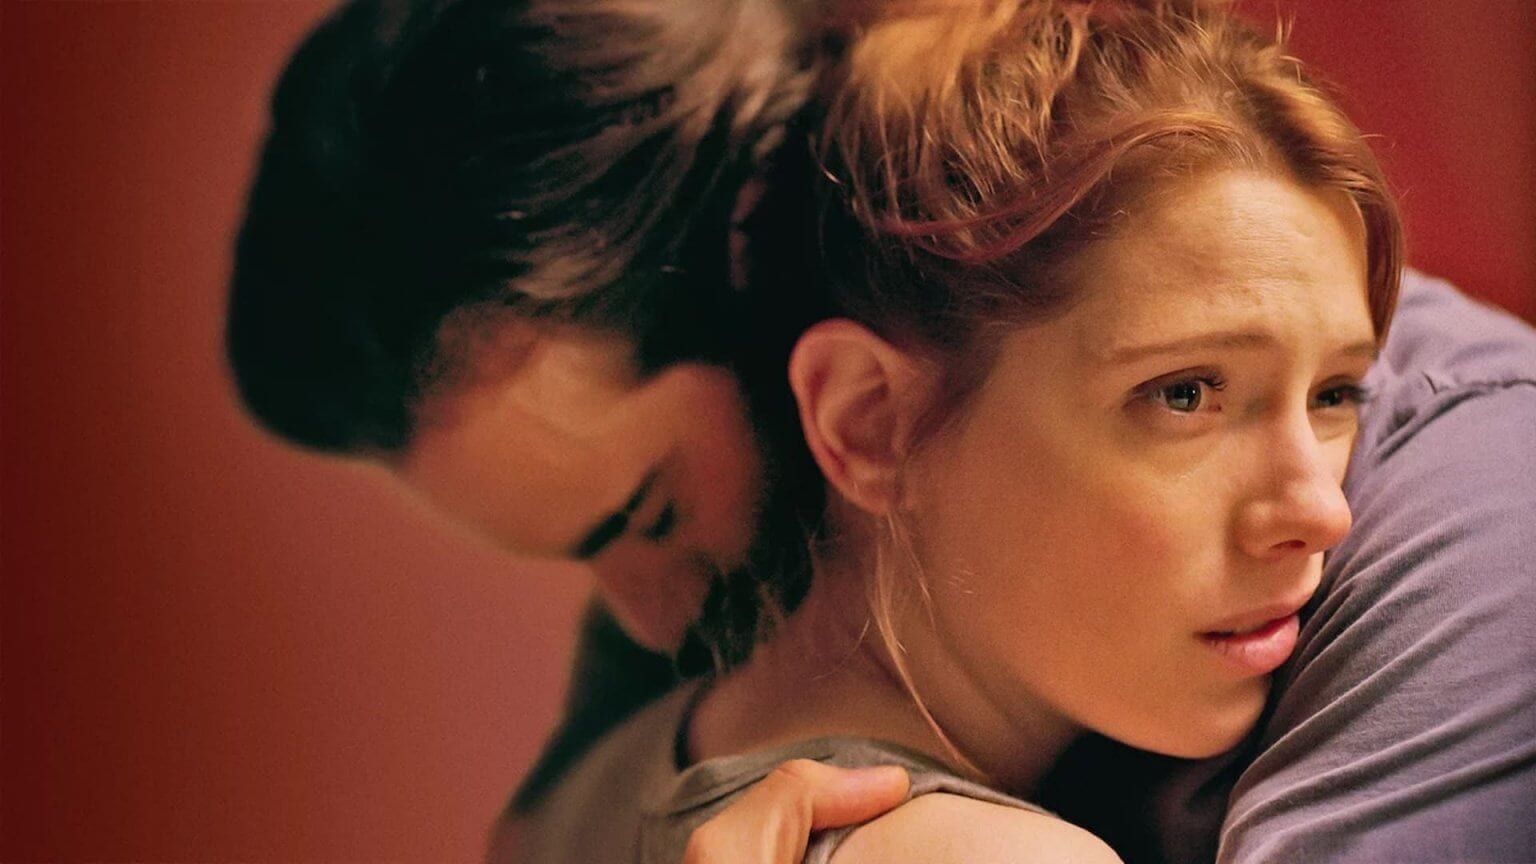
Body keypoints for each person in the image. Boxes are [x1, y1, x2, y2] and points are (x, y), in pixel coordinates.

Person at [505, 1, 1430, 860]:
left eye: (1335, 392)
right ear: (870, 423)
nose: (1322, 512)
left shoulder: (579, 792)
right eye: (1185, 393)